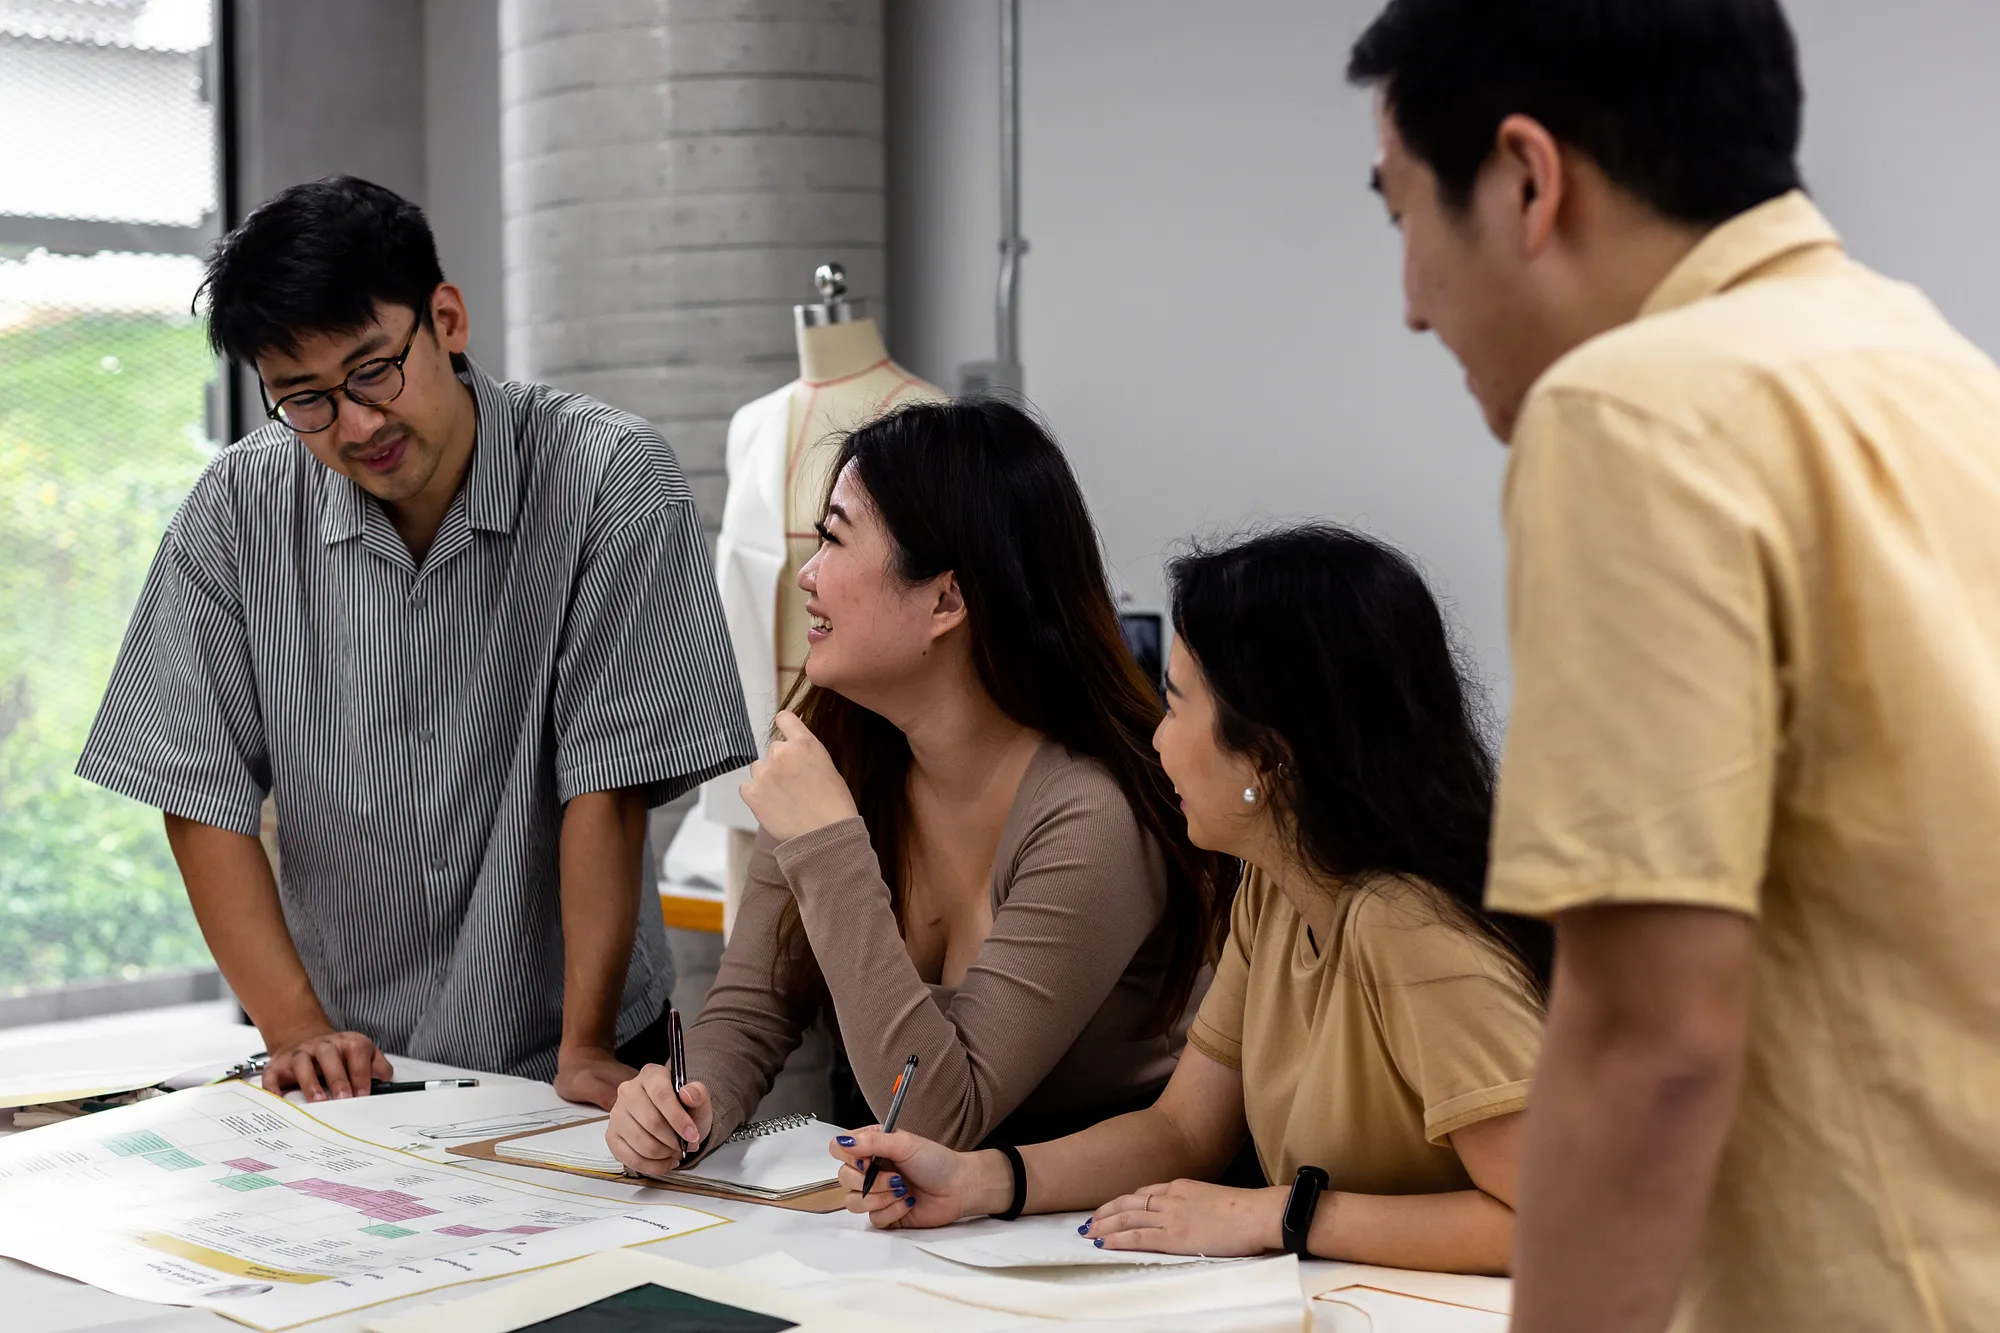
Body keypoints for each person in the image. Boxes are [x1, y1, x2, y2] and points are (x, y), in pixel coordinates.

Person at [1350, 1, 2000, 1329]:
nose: (1411, 304)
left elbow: (1651, 1041)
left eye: (1403, 216)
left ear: (1528, 179)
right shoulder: (1942, 371)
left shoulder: (1633, 412)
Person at [76, 177, 756, 1105]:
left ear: (446, 318)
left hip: (576, 1044)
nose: (357, 425)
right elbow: (199, 791)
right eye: (305, 399)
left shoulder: (609, 481)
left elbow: (609, 785)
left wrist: (586, 1042)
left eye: (372, 371)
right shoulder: (235, 512)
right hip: (354, 1058)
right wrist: (296, 1028)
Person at [830, 527, 1551, 1275]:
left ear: (1267, 760)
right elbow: (1182, 1130)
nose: (1159, 740)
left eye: (1175, 707)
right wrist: (976, 1179)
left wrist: (1276, 1212)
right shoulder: (1277, 888)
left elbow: (1558, 1224)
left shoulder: (1411, 926)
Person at [603, 400, 1232, 1170]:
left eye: (832, 539)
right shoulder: (840, 753)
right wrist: (683, 1104)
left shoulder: (1092, 811)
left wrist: (830, 845)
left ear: (946, 601)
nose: (806, 576)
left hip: (1104, 1223)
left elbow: (941, 1115)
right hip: (922, 1220)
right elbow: (751, 1010)